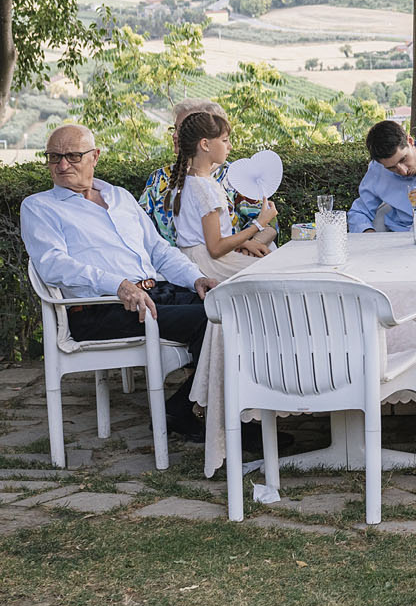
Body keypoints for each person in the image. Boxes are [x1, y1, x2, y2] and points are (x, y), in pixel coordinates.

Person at [20, 123, 218, 441]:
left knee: (231, 309)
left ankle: (189, 410)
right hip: (101, 309)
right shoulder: (39, 207)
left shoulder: (120, 197)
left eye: (72, 155)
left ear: (95, 156)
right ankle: (202, 415)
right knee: (210, 322)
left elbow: (158, 250)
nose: (61, 165)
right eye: (54, 157)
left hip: (154, 294)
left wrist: (196, 278)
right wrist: (118, 284)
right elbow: (54, 265)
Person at [167, 110, 278, 281]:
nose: (230, 146)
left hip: (192, 258)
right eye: (225, 140)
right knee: (276, 270)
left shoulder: (188, 180)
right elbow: (216, 248)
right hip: (209, 264)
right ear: (205, 144)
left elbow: (202, 234)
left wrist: (244, 242)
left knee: (271, 255)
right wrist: (259, 223)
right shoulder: (205, 189)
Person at [140, 99, 258, 245]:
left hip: (227, 256)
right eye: (175, 128)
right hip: (168, 263)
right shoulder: (159, 179)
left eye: (184, 129)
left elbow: (265, 224)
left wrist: (251, 247)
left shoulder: (236, 176)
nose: (175, 135)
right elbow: (140, 225)